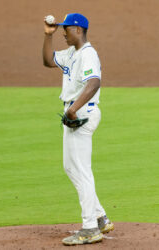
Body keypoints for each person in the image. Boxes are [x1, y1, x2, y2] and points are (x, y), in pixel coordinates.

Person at [42, 13, 114, 245]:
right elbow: (48, 60)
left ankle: (90, 228)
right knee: (71, 167)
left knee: (81, 170)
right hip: (75, 112)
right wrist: (47, 36)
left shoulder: (88, 54)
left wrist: (73, 109)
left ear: (78, 29)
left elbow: (94, 83)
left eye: (66, 28)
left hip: (82, 112)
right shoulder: (72, 53)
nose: (63, 32)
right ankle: (100, 217)